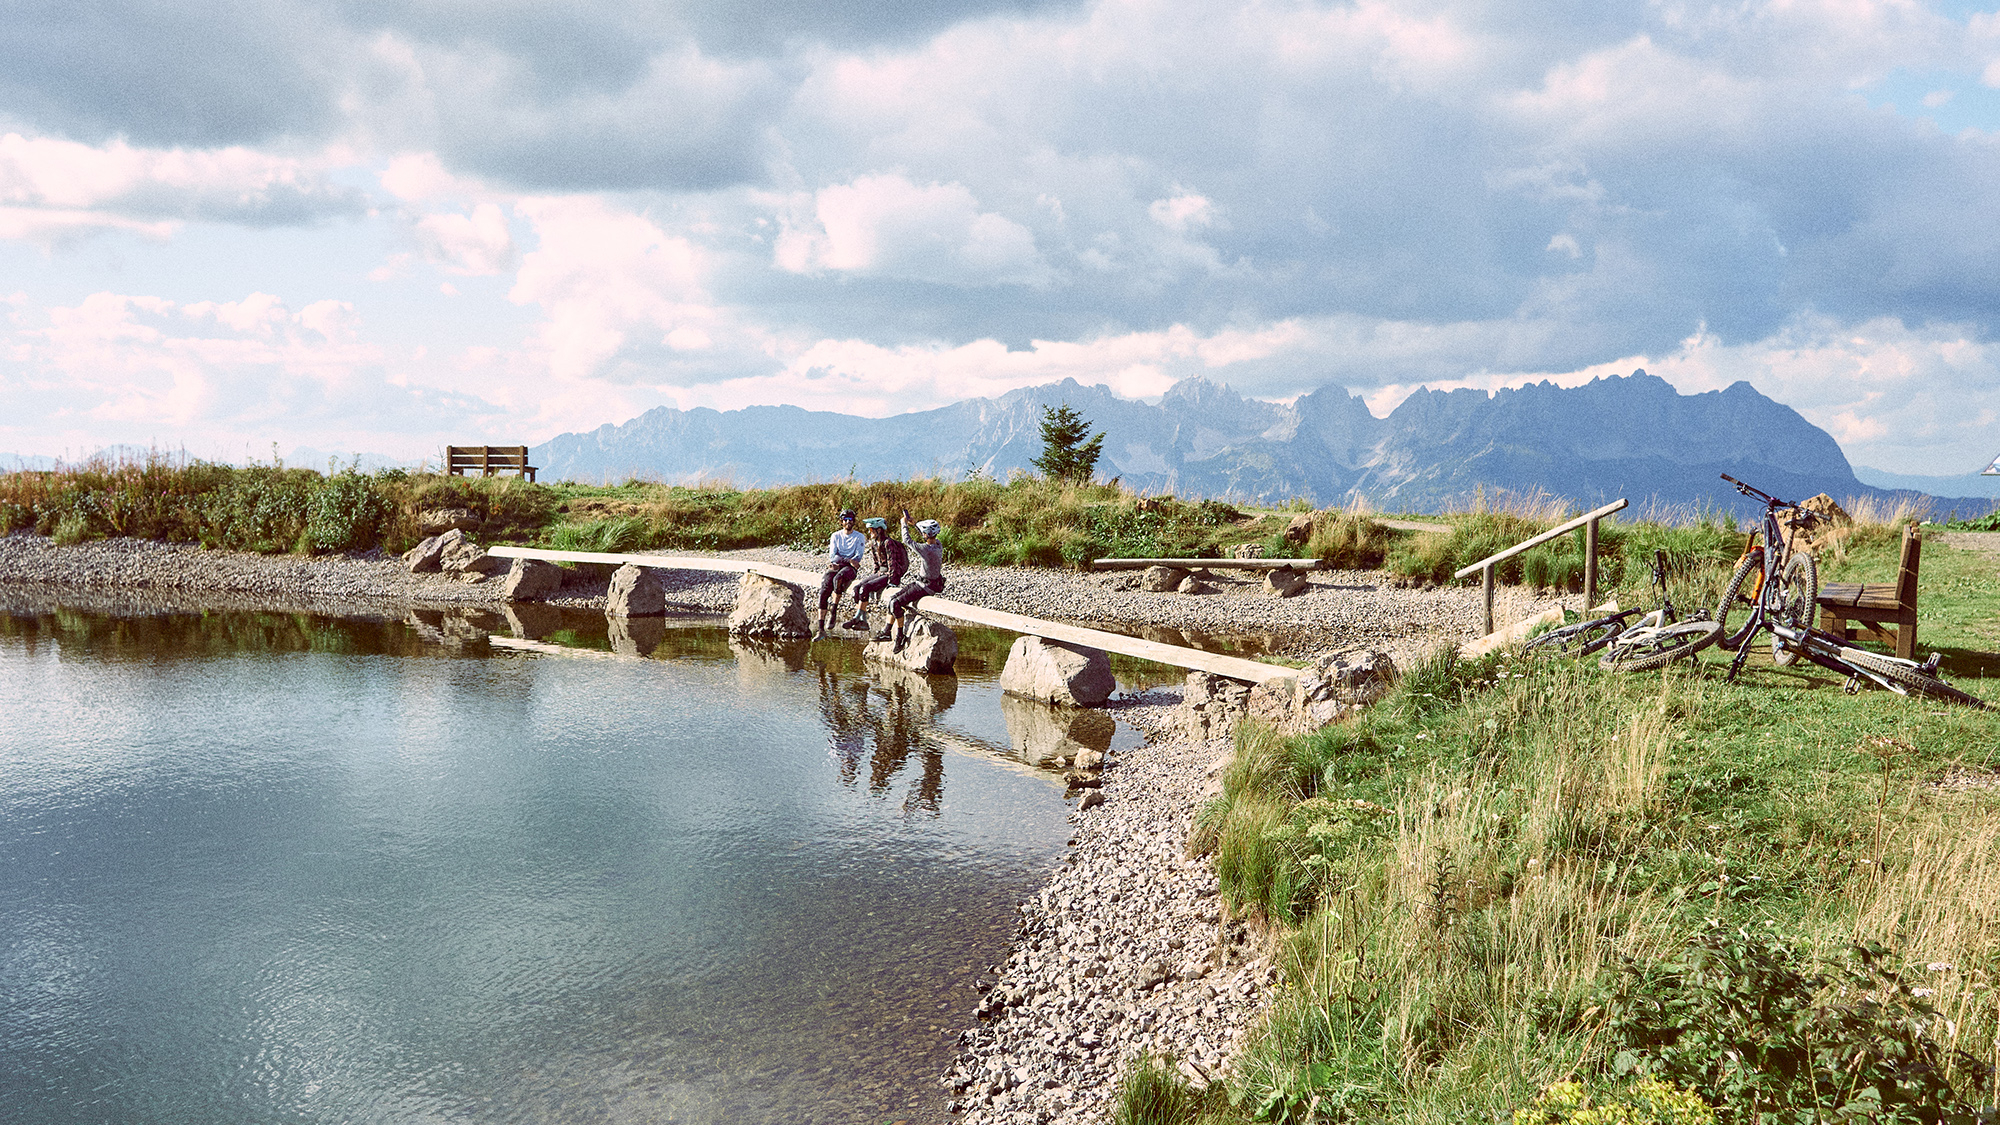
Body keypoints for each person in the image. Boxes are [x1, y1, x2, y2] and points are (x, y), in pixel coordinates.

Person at [886, 507, 945, 652]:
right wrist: (915, 524)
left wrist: (904, 524)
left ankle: (900, 636)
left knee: (895, 603)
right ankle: (886, 631)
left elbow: (906, 540)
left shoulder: (926, 550)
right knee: (893, 598)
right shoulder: (937, 545)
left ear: (926, 534)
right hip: (925, 583)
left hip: (925, 587)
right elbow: (927, 535)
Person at [843, 516, 908, 632]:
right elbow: (876, 563)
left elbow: (892, 563)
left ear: (879, 530)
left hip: (889, 574)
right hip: (880, 572)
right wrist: (872, 577)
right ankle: (862, 620)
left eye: (872, 530)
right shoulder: (873, 543)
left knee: (865, 588)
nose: (870, 532)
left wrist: (892, 581)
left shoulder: (888, 543)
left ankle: (858, 618)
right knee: (857, 588)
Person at [815, 508, 865, 638]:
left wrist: (844, 562)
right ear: (841, 522)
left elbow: (858, 558)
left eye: (850, 520)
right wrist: (847, 560)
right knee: (825, 585)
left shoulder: (859, 537)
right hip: (839, 564)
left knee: (839, 578)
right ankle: (820, 628)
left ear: (854, 522)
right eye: (845, 520)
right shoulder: (835, 536)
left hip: (849, 569)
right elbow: (833, 555)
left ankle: (834, 610)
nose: (848, 522)